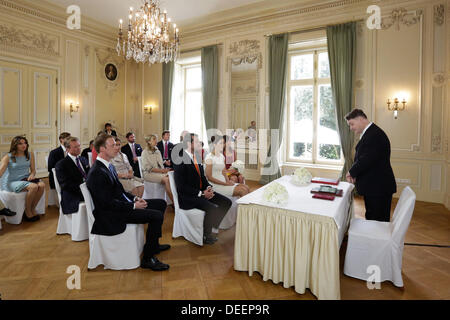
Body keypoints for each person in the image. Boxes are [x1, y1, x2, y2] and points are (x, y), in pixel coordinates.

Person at [86, 133, 170, 271]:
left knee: (161, 203)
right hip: (111, 215)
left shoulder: (108, 166)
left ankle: (153, 244)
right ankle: (148, 258)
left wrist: (135, 199)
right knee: (157, 216)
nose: (117, 148)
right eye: (112, 145)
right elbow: (106, 204)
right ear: (102, 149)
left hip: (119, 207)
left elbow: (120, 193)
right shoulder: (97, 172)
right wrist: (133, 206)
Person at [173, 133, 232, 244]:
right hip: (188, 197)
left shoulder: (196, 156)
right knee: (212, 208)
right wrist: (202, 194)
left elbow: (203, 177)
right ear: (189, 144)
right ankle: (206, 235)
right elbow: (181, 187)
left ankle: (212, 224)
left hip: (201, 192)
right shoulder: (180, 159)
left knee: (226, 202)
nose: (199, 143)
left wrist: (208, 187)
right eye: (196, 141)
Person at [345, 108, 397, 222]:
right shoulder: (371, 132)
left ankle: (377, 240)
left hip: (378, 188)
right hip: (375, 187)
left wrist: (351, 172)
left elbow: (366, 159)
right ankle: (373, 239)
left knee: (377, 222)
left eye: (352, 124)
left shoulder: (374, 135)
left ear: (360, 119)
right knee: (372, 218)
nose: (351, 128)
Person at [0, 136, 45, 222]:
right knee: (33, 187)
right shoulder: (8, 157)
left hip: (25, 178)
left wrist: (32, 174)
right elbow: (1, 171)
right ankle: (27, 212)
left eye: (25, 143)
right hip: (12, 181)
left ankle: (32, 208)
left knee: (42, 185)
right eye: (20, 143)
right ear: (15, 145)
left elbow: (33, 170)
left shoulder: (30, 154)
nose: (23, 145)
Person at [55, 137, 89, 215]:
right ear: (67, 149)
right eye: (75, 147)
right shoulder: (61, 164)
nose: (79, 148)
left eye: (79, 146)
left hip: (86, 190)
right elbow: (65, 185)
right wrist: (84, 189)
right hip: (74, 195)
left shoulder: (83, 159)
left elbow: (89, 175)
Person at [141, 135, 173, 203]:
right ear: (149, 141)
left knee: (173, 176)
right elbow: (147, 168)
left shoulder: (157, 151)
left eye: (156, 139)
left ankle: (173, 201)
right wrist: (162, 171)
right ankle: (173, 202)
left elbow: (160, 163)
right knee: (167, 179)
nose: (156, 141)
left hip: (159, 172)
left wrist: (165, 165)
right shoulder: (144, 152)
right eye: (154, 139)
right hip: (149, 174)